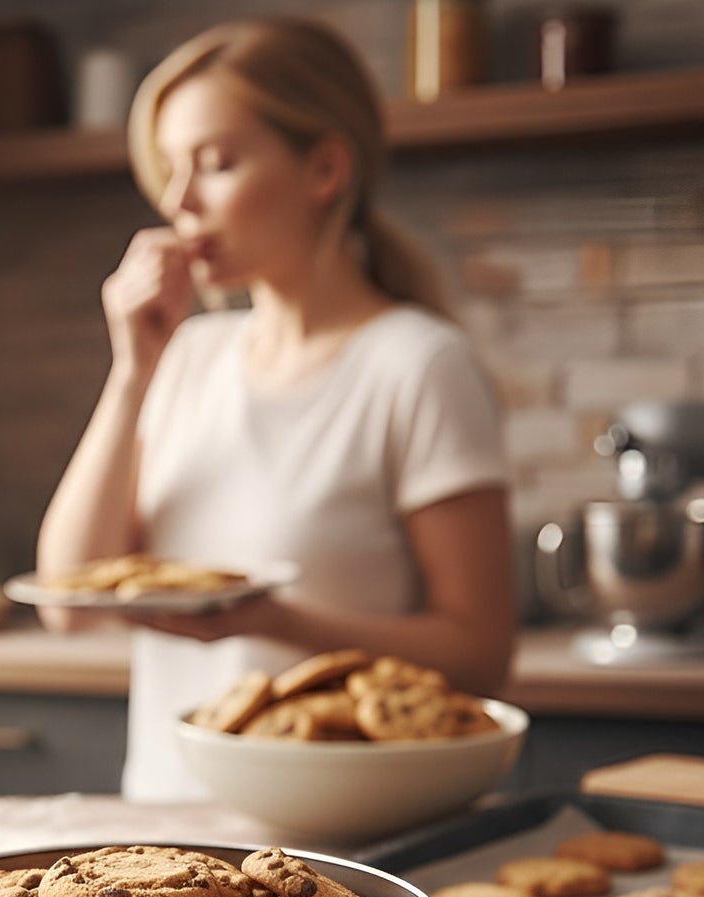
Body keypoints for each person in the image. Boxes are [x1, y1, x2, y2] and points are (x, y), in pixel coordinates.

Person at [36, 16, 515, 802]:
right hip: (169, 823)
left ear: (324, 167)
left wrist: (269, 621)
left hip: (347, 831)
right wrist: (133, 370)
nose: (178, 199)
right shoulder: (188, 355)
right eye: (169, 170)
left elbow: (479, 654)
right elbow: (69, 600)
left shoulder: (418, 364)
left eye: (215, 163)